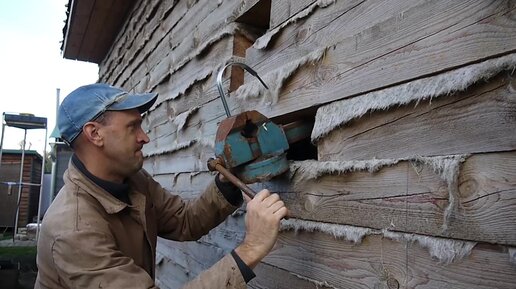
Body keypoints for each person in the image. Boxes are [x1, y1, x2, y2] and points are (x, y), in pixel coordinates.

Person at [35, 83, 288, 289]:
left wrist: (226, 183)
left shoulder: (132, 179)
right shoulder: (73, 229)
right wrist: (251, 249)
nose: (144, 137)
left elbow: (184, 221)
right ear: (95, 134)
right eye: (132, 127)